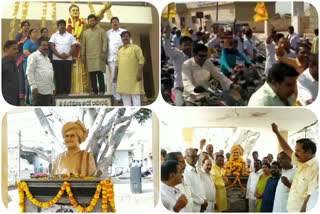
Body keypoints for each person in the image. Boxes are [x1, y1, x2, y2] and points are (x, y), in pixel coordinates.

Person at [271, 123, 318, 212]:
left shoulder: (315, 168)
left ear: (308, 152)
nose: (295, 153)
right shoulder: (301, 163)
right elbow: (286, 148)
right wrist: (276, 132)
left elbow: (311, 196)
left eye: (298, 151)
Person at [67, 3, 111, 94]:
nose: (75, 12)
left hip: (83, 52)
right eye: (73, 10)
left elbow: (96, 18)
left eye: (77, 10)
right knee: (73, 73)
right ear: (69, 12)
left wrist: (103, 9)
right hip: (71, 52)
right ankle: (74, 91)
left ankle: (87, 90)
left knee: (89, 72)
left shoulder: (83, 21)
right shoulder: (67, 24)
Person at [163, 25, 193, 106]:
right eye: (186, 45)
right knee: (180, 105)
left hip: (192, 89)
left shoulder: (195, 57)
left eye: (190, 45)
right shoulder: (178, 54)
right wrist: (167, 35)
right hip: (179, 88)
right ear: (180, 46)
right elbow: (167, 49)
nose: (188, 47)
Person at [113, 31, 145, 106]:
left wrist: (140, 73)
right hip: (122, 78)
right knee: (125, 99)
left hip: (133, 77)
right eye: (123, 37)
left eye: (126, 36)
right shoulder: (120, 51)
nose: (125, 38)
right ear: (121, 39)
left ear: (130, 38)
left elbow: (141, 60)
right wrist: (115, 76)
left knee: (135, 97)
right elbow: (117, 64)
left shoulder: (136, 48)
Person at [81, 14, 107, 95]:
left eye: (93, 20)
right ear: (88, 22)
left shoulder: (101, 31)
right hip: (89, 56)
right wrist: (83, 55)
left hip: (99, 55)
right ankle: (95, 92)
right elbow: (83, 45)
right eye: (90, 21)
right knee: (92, 75)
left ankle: (102, 91)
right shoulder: (85, 33)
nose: (91, 22)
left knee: (100, 74)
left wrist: (103, 52)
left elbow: (105, 42)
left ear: (96, 21)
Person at [50, 19, 77, 95]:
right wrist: (59, 55)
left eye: (63, 25)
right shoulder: (54, 35)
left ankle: (66, 92)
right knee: (58, 76)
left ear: (65, 26)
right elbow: (52, 46)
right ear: (58, 26)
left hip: (67, 59)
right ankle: (59, 93)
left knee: (67, 76)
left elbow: (74, 46)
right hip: (57, 59)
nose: (62, 26)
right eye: (60, 25)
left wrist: (68, 55)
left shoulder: (70, 35)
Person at [26, 38, 55, 106]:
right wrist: (33, 86)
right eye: (44, 45)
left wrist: (53, 88)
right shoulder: (33, 56)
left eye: (47, 46)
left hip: (48, 91)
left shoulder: (47, 58)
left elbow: (50, 73)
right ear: (38, 46)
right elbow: (29, 72)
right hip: (38, 90)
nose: (46, 47)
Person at [106, 17, 128, 102]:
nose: (115, 23)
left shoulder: (124, 32)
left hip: (124, 58)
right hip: (112, 58)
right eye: (113, 22)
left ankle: (124, 95)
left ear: (119, 23)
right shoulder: (107, 33)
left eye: (116, 22)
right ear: (111, 24)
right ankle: (117, 97)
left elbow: (130, 43)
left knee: (123, 77)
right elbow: (106, 46)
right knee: (114, 78)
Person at [23, 28, 39, 105]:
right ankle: (29, 100)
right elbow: (25, 51)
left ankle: (35, 99)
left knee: (36, 80)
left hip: (37, 63)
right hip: (28, 63)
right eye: (33, 32)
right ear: (29, 34)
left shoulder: (38, 42)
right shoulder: (27, 42)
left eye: (36, 32)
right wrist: (34, 57)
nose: (35, 34)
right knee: (29, 80)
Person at [15, 20, 30, 100]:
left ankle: (28, 95)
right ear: (22, 27)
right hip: (20, 58)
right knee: (21, 76)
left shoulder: (30, 36)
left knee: (28, 76)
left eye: (27, 25)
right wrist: (21, 41)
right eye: (24, 25)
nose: (26, 27)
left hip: (29, 58)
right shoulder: (19, 35)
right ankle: (21, 95)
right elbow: (14, 45)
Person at [2, 40, 20, 105]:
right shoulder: (2, 64)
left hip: (15, 98)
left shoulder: (14, 62)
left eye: (17, 49)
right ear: (6, 49)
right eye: (14, 49)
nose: (17, 51)